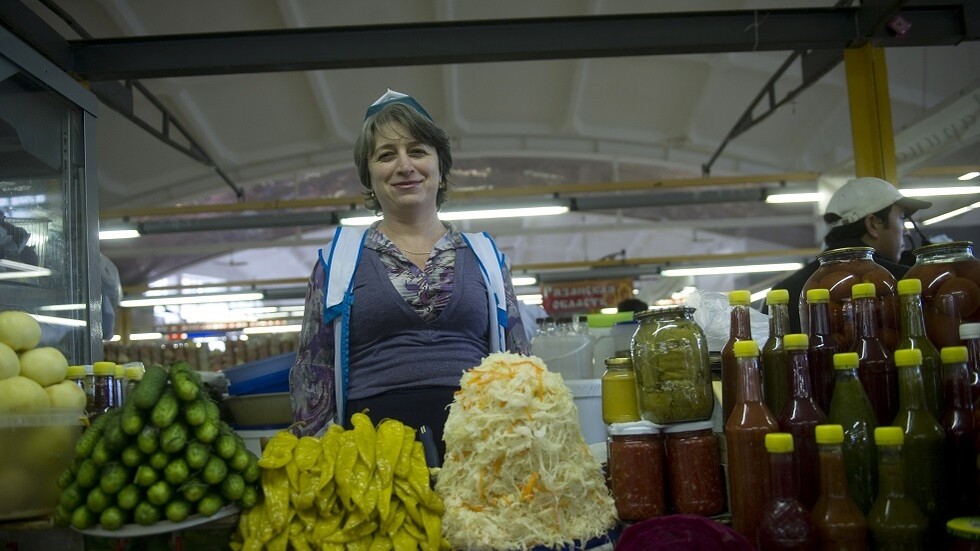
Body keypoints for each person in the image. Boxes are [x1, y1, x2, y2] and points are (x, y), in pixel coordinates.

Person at [288, 90, 530, 456]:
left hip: (480, 451)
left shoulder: (485, 256)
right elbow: (312, 372)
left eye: (417, 151)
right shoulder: (336, 261)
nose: (404, 165)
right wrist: (319, 464)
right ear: (368, 176)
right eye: (387, 155)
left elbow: (520, 362)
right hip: (374, 459)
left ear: (440, 166)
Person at [768, 177, 931, 333]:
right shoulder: (907, 283)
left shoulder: (782, 294)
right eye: (901, 219)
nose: (906, 231)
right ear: (873, 224)